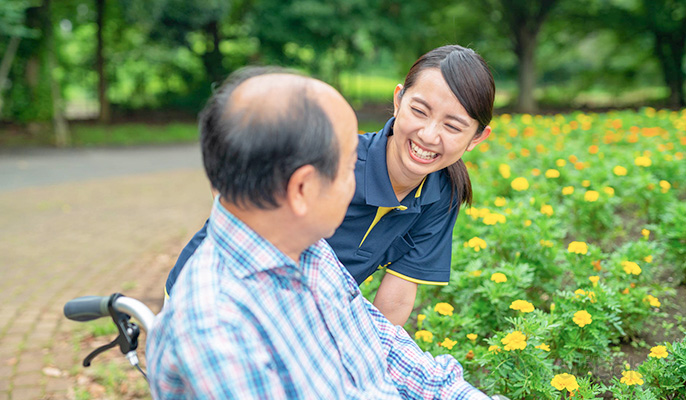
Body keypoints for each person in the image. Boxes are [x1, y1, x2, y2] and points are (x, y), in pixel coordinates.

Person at [147, 66, 491, 399]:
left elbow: (377, 343)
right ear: (302, 189)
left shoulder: (313, 253)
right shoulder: (217, 330)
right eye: (345, 170)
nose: (356, 183)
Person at [164, 45, 494, 326]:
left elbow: (397, 296)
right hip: (223, 299)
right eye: (419, 111)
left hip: (308, 316)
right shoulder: (333, 163)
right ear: (398, 100)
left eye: (453, 126)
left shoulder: (443, 192)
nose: (428, 135)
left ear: (477, 138)